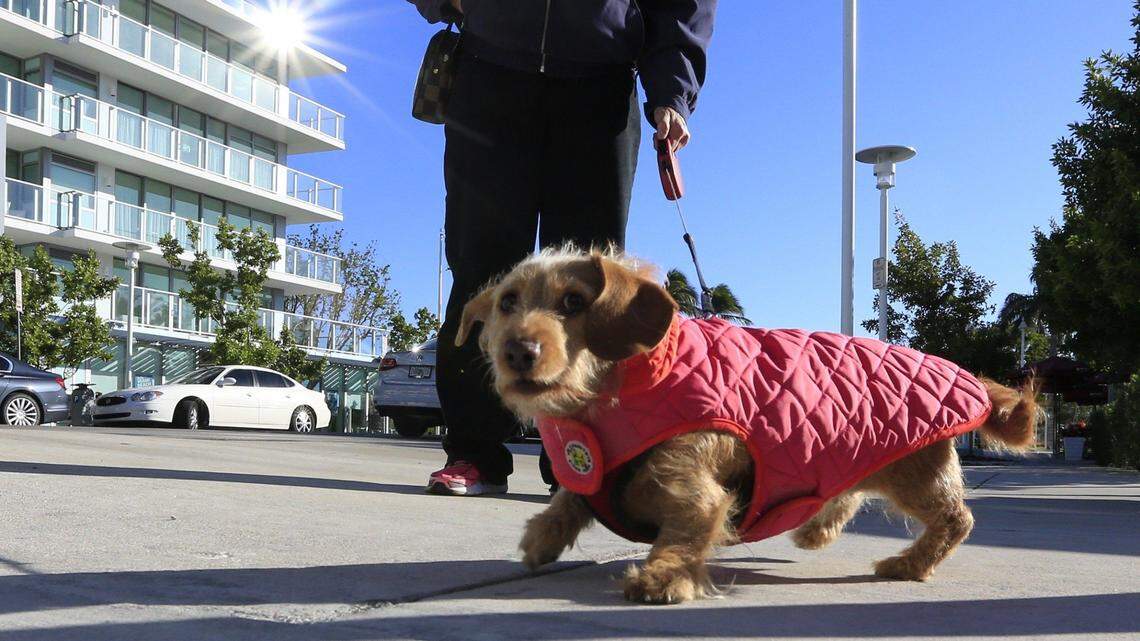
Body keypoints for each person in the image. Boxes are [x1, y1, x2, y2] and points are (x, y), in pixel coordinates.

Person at [410, 0, 718, 496]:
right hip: (489, 75)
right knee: (481, 276)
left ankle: (577, 464)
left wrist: (672, 90)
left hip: (601, 88)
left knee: (589, 292)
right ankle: (473, 452)